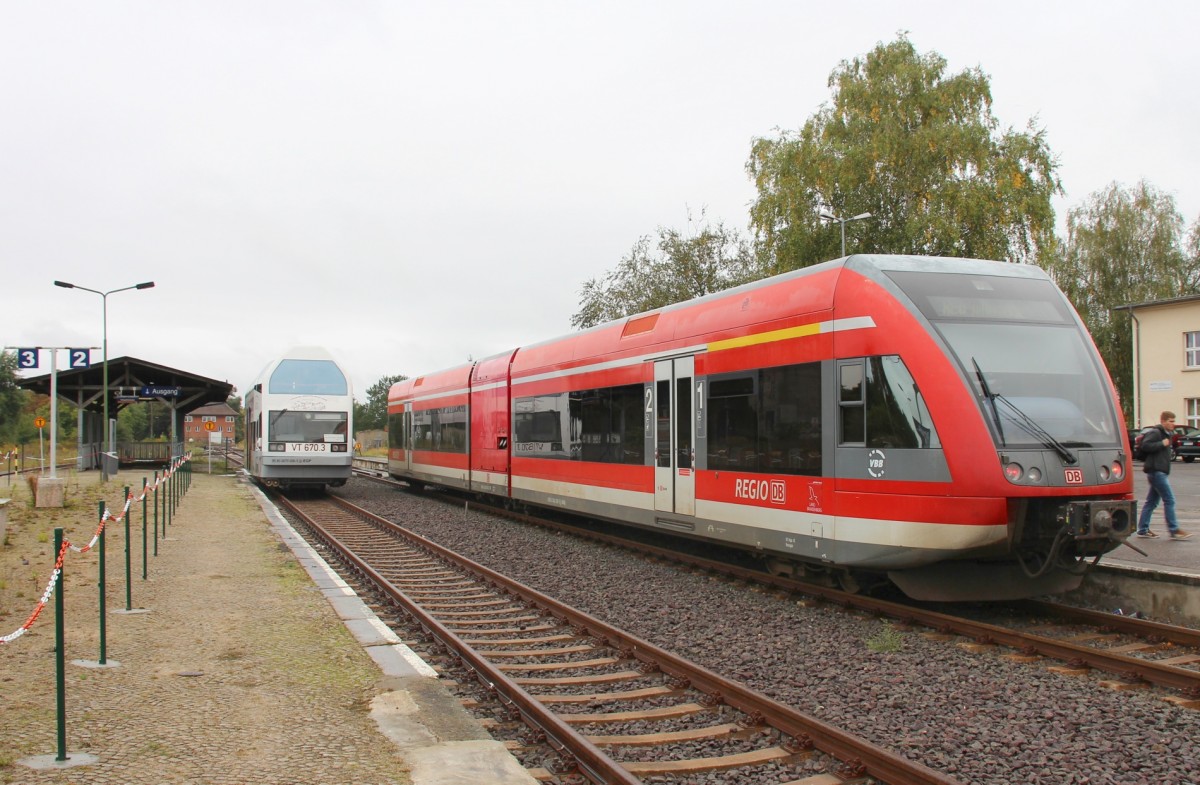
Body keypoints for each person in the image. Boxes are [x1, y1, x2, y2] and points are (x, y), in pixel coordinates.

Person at [1136, 411, 1192, 539]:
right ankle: (1174, 529)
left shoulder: (1168, 434)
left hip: (1159, 471)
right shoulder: (1156, 432)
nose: (1173, 424)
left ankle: (1143, 529)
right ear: (1163, 421)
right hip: (1156, 471)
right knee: (1169, 499)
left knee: (1151, 502)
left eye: (1173, 421)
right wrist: (1162, 443)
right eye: (1170, 421)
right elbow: (1145, 446)